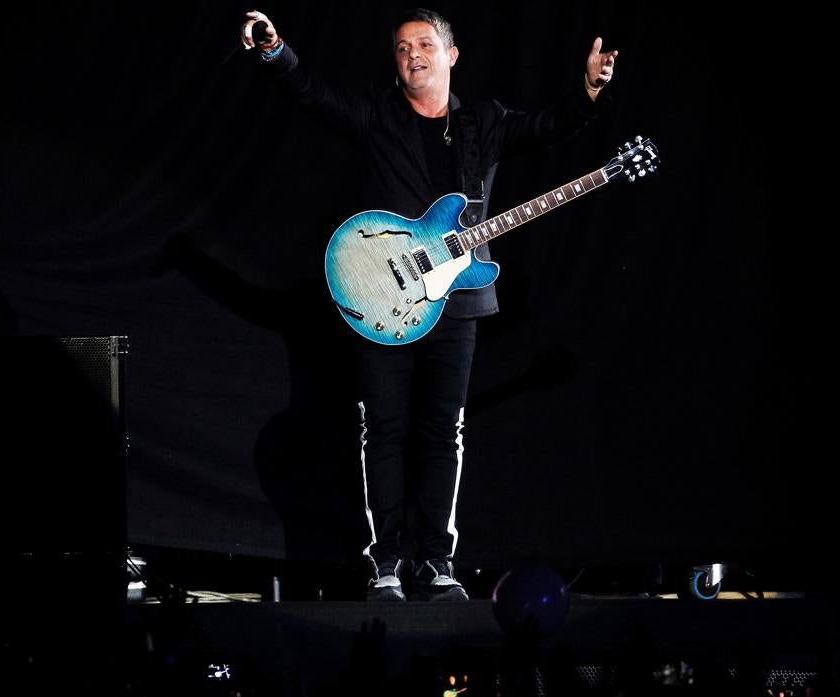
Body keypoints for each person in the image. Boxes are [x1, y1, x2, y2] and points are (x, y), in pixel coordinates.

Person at [240, 7, 617, 601]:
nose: (411, 54)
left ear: (451, 55)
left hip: (459, 299)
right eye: (400, 48)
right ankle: (385, 562)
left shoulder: (483, 122)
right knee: (385, 430)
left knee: (443, 433)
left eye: (423, 44)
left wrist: (588, 91)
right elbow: (313, 96)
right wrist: (275, 51)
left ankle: (437, 564)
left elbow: (548, 127)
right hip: (385, 298)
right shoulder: (378, 115)